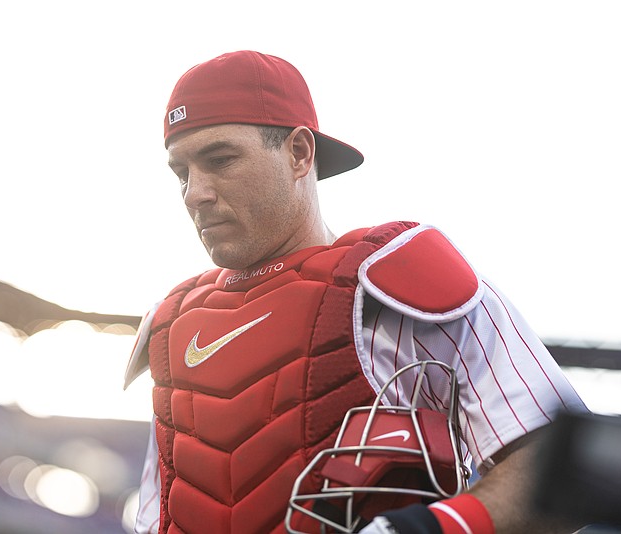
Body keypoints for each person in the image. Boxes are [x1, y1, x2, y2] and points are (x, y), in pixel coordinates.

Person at [123, 50, 588, 534]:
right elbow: (156, 517)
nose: (195, 192)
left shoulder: (398, 282)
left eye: (220, 160)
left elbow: (564, 465)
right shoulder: (173, 326)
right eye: (181, 173)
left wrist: (428, 529)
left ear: (300, 153)